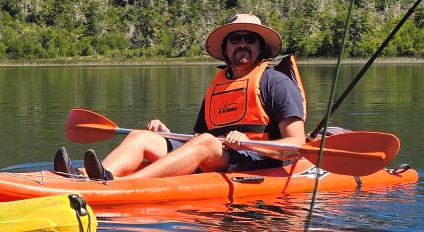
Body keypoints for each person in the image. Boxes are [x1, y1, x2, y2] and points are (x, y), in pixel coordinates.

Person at [84, 12, 307, 181]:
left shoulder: (277, 83)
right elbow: (198, 139)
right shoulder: (220, 85)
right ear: (226, 48)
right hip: (216, 155)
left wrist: (249, 144)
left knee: (208, 143)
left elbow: (297, 144)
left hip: (259, 162)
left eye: (250, 39)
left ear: (260, 48)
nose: (242, 44)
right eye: (235, 39)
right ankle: (97, 179)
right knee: (140, 137)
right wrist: (168, 135)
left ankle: (127, 184)